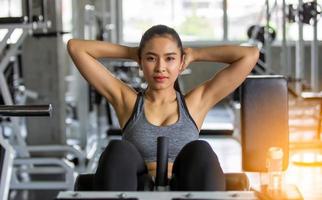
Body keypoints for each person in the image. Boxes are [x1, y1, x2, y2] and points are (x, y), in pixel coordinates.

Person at [67, 24, 259, 191]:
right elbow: (76, 48)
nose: (160, 68)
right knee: (118, 149)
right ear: (141, 63)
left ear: (181, 62)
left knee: (200, 149)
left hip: (185, 186)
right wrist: (131, 52)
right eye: (151, 58)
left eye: (170, 58)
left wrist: (196, 54)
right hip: (136, 188)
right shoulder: (127, 101)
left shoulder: (196, 103)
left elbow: (250, 54)